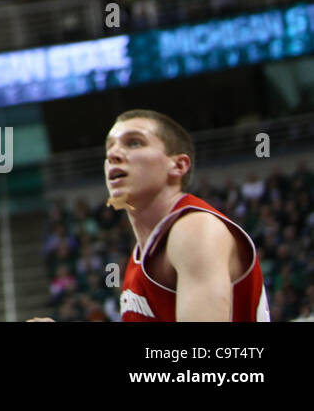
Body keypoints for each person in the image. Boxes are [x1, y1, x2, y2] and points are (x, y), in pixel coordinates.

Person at [106, 110, 269, 322]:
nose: (113, 155)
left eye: (134, 143)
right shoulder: (143, 251)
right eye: (109, 147)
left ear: (178, 165)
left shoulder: (194, 229)